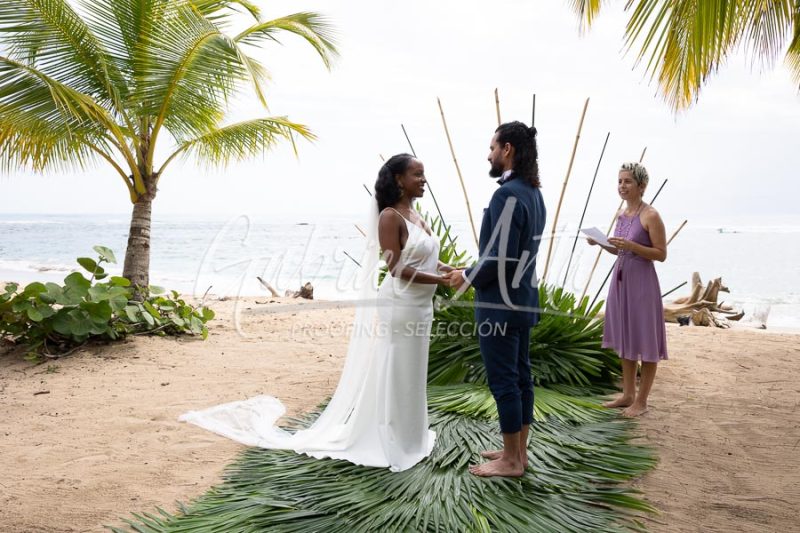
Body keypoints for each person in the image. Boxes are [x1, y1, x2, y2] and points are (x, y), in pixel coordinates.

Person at [179, 154, 452, 472]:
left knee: (412, 370)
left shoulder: (417, 215)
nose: (423, 180)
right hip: (400, 305)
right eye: (417, 174)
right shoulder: (390, 217)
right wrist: (443, 279)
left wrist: (455, 271)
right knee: (397, 367)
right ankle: (390, 439)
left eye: (424, 174)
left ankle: (411, 437)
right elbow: (397, 268)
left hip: (421, 306)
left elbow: (430, 261)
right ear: (398, 180)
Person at [446, 121, 546, 478]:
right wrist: (472, 267)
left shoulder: (506, 194)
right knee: (521, 377)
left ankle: (512, 461)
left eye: (492, 147)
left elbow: (500, 256)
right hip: (524, 299)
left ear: (507, 150)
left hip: (499, 305)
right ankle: (517, 450)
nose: (488, 154)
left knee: (504, 381)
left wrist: (467, 276)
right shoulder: (534, 192)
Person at [587, 162, 668, 417]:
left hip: (642, 282)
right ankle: (627, 394)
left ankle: (641, 401)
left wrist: (632, 247)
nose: (622, 186)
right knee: (625, 336)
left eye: (628, 182)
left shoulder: (651, 215)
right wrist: (601, 243)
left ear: (641, 186)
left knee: (646, 339)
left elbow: (661, 254)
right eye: (620, 181)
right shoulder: (622, 215)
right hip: (620, 280)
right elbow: (619, 248)